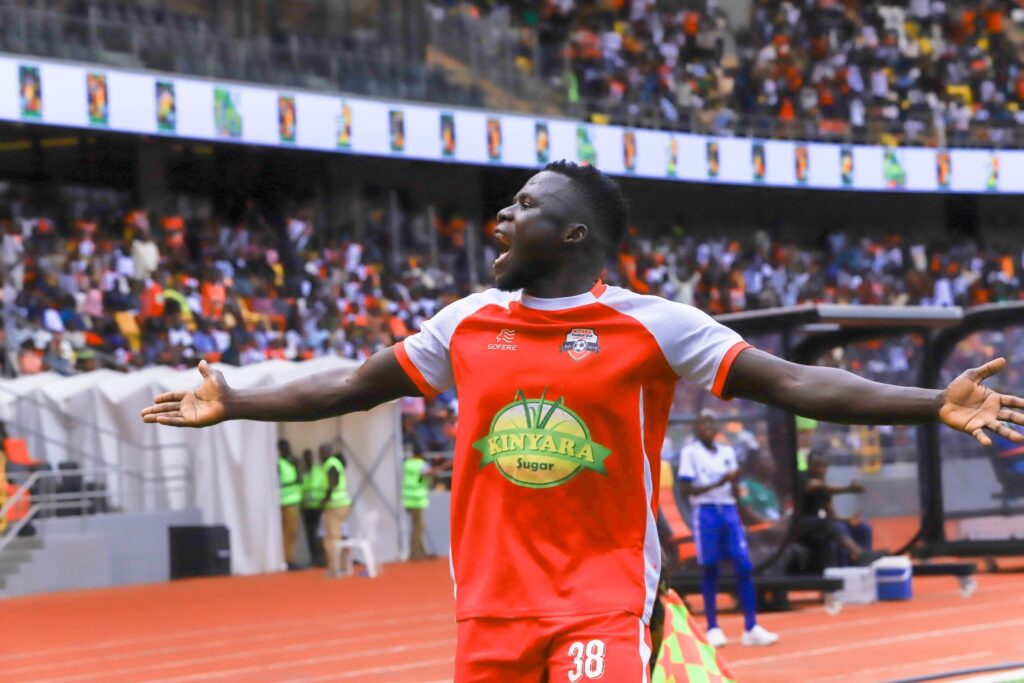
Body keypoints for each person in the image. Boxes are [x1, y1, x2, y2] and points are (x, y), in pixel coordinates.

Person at [142, 161, 1024, 682]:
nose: (502, 217)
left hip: (599, 600)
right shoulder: (465, 322)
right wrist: (238, 399)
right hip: (488, 607)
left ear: (573, 235)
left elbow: (793, 380)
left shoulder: (653, 324)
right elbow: (350, 385)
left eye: (525, 206)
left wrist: (930, 401)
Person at [678, 410, 777, 648]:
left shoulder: (727, 452)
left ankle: (751, 627)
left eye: (712, 423)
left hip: (729, 510)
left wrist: (733, 482)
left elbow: (734, 490)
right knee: (710, 568)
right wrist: (719, 482)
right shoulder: (690, 453)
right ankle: (713, 627)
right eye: (703, 423)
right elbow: (686, 490)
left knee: (744, 565)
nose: (708, 427)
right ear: (696, 427)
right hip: (706, 511)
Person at [796, 452, 873, 568]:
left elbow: (832, 516)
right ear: (809, 465)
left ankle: (866, 561)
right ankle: (855, 556)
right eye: (818, 466)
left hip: (818, 524)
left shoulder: (824, 487)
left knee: (863, 527)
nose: (822, 470)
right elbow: (813, 486)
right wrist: (848, 489)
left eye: (824, 466)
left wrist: (849, 520)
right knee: (832, 526)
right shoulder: (802, 477)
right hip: (799, 523)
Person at [320, 444, 352, 577]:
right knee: (342, 536)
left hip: (335, 505)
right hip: (343, 503)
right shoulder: (336, 463)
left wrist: (325, 499)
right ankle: (345, 567)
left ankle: (335, 569)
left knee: (332, 539)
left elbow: (333, 482)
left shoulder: (330, 464)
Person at [276, 439, 301, 571]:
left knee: (292, 533)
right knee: (289, 533)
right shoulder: (279, 464)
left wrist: (297, 467)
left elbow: (299, 480)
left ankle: (289, 558)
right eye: (285, 448)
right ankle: (288, 560)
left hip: (293, 501)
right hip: (285, 502)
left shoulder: (291, 463)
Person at [299, 447, 326, 567]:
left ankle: (322, 557)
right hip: (306, 507)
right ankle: (314, 558)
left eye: (309, 457)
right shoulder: (303, 473)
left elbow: (324, 487)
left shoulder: (319, 471)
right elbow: (301, 489)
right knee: (310, 534)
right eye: (306, 458)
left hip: (318, 507)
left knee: (319, 533)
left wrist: (322, 504)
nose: (307, 460)